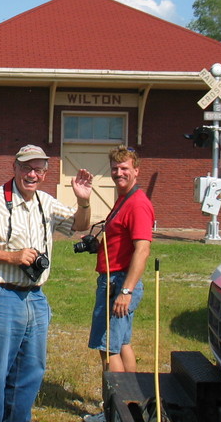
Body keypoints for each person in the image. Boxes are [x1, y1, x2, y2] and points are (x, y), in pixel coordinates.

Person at [0, 144, 94, 422]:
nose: (32, 174)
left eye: (38, 169)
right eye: (26, 168)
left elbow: (79, 226)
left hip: (35, 297)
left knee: (31, 370)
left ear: (45, 173)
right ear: (15, 167)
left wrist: (83, 201)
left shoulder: (46, 202)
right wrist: (13, 257)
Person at [75, 146, 154, 422]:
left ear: (136, 171)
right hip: (115, 280)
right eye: (115, 168)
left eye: (125, 168)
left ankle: (117, 414)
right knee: (122, 345)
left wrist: (126, 291)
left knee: (107, 349)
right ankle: (133, 407)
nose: (119, 173)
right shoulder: (123, 199)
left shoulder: (138, 203)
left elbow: (142, 250)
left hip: (119, 283)